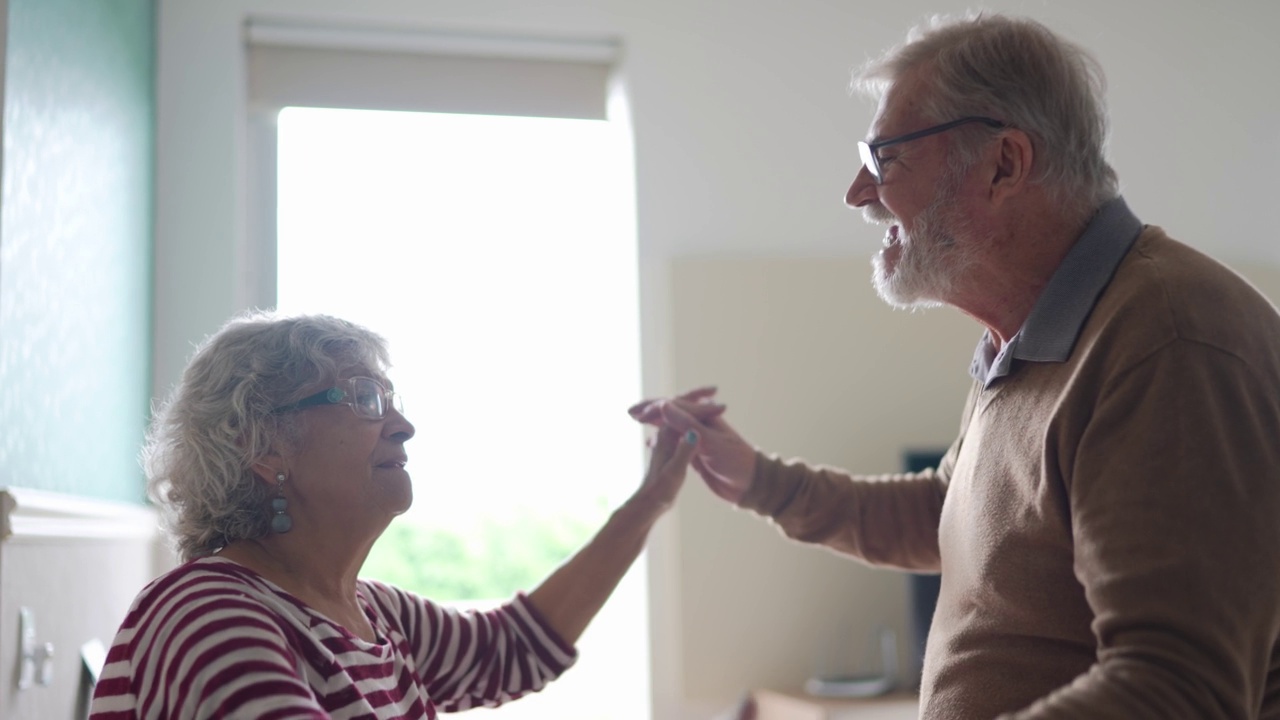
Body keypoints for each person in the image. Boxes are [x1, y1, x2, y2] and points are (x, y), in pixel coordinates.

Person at [632, 12, 1280, 720]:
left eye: (887, 158)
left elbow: (1176, 691)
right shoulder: (1021, 343)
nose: (857, 191)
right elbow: (953, 517)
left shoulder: (1170, 343)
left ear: (1005, 163)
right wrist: (760, 480)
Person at [90, 312, 698, 719]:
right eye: (364, 399)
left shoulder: (374, 614)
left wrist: (650, 503)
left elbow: (517, 646)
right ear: (264, 444)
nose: (404, 426)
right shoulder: (210, 617)